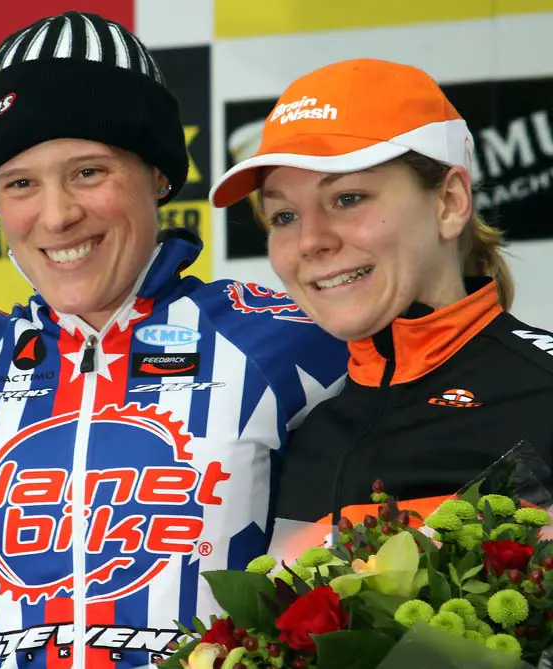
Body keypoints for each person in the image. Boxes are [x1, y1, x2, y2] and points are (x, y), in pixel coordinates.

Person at [0, 11, 348, 669]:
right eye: (20, 183)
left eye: (89, 171)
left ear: (158, 176)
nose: (57, 214)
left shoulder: (286, 343)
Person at [209, 57, 553, 561]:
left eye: (347, 198)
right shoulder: (303, 428)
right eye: (283, 215)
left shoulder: (542, 388)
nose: (310, 241)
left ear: (450, 202)